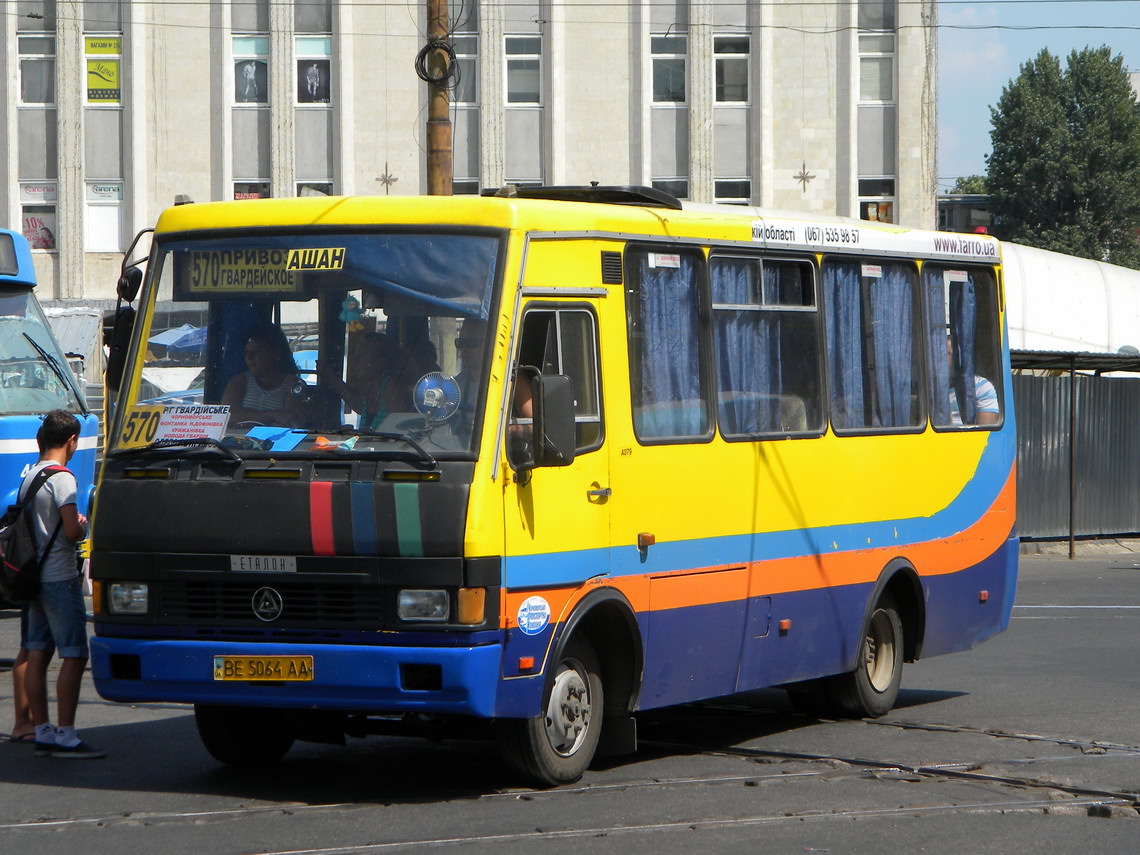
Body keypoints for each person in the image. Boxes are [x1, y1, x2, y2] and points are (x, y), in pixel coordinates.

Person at [21, 410, 105, 758]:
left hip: (32, 579)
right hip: (59, 577)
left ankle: (42, 730)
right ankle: (67, 735)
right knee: (74, 655)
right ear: (71, 441)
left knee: (37, 652)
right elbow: (72, 531)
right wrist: (82, 526)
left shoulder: (30, 475)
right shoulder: (63, 479)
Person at [318, 332, 410, 430]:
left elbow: (400, 430)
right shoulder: (371, 387)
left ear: (380, 361)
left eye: (360, 357)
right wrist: (331, 377)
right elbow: (358, 405)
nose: (355, 362)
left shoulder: (392, 388)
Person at [221, 324, 306, 427]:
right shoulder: (239, 381)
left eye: (257, 351)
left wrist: (246, 416)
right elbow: (227, 414)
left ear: (276, 353)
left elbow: (288, 420)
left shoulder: (294, 385)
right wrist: (272, 415)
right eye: (247, 352)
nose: (249, 358)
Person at [946, 337, 999, 426]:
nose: (944, 359)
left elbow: (984, 432)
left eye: (948, 354)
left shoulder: (981, 387)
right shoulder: (931, 387)